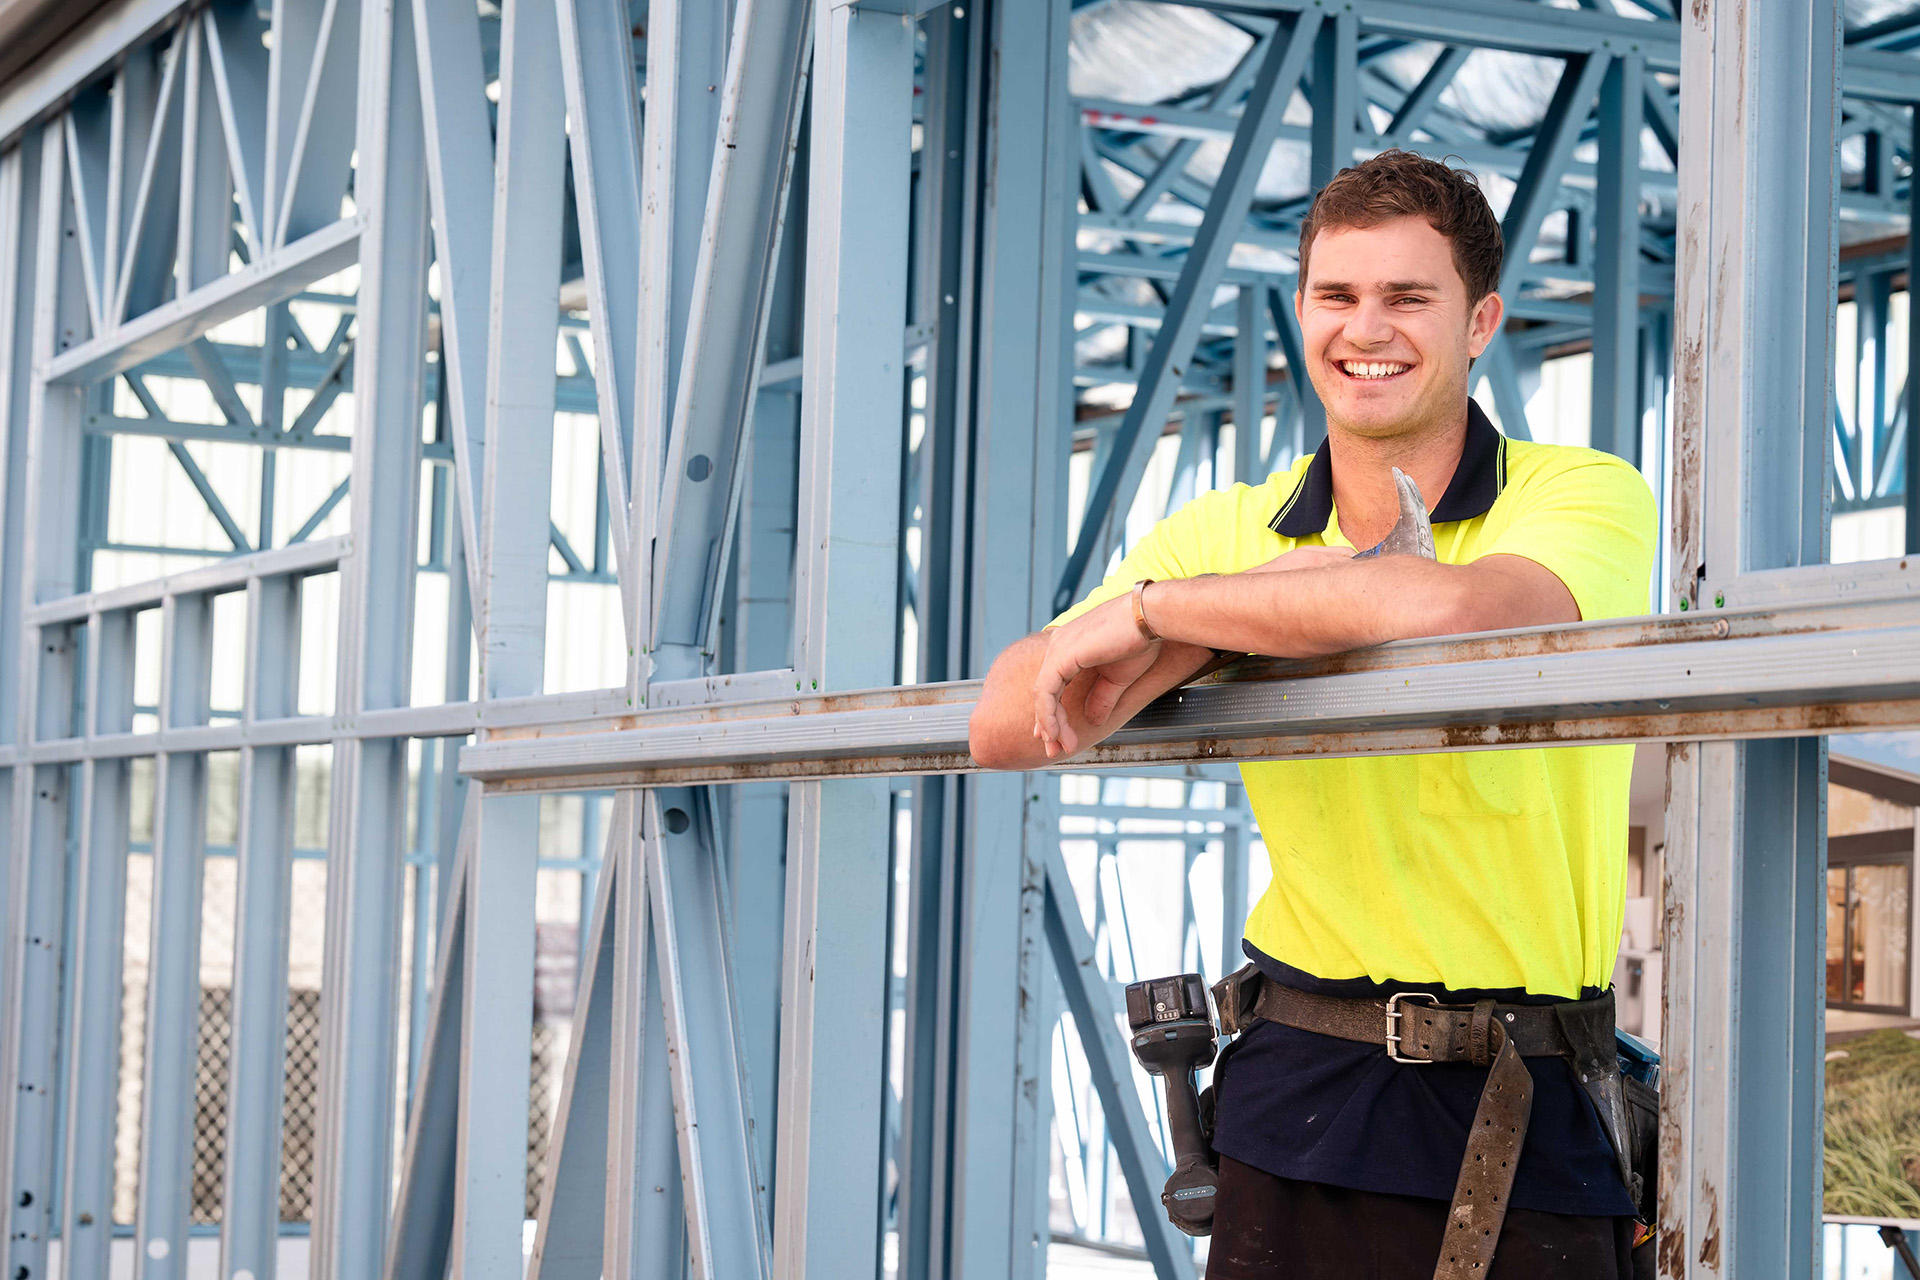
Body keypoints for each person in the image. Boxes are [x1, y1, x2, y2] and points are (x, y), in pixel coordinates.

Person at [969, 150, 1657, 1280]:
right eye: (1337, 296)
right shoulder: (1234, 527)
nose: (1365, 327)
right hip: (1297, 1094)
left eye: (1407, 296)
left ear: (1480, 319)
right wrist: (1235, 614)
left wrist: (1175, 616)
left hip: (1520, 1100)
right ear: (1302, 312)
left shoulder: (1575, 492)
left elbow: (1456, 608)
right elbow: (1010, 721)